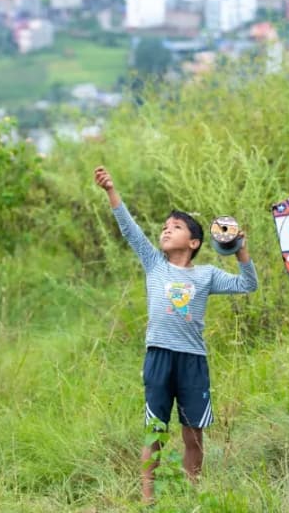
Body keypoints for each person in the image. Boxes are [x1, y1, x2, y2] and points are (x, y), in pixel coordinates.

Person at [93, 165, 258, 504]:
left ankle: (190, 496)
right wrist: (111, 190)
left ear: (194, 242)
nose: (166, 230)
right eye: (165, 227)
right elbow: (129, 229)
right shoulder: (155, 264)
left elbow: (248, 283)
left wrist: (240, 247)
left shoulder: (207, 275)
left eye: (177, 227)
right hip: (159, 356)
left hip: (193, 360)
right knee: (155, 429)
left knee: (193, 433)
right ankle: (148, 499)